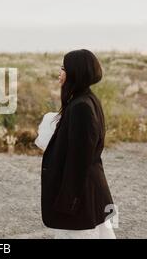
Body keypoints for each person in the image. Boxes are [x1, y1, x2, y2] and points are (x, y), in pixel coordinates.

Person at [41, 49, 116, 239]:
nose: (60, 72)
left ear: (76, 72)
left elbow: (79, 160)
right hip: (88, 191)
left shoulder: (81, 106)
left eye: (63, 68)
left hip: (82, 196)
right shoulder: (85, 99)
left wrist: (68, 201)